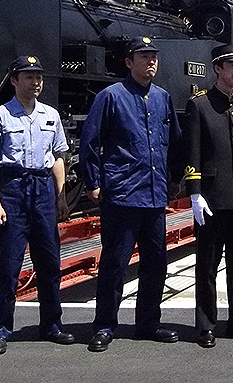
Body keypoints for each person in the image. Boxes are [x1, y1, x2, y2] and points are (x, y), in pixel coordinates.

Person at [78, 36, 182, 352]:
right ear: (129, 62)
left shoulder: (163, 98)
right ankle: (105, 325)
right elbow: (89, 142)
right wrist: (93, 182)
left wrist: (174, 180)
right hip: (122, 196)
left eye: (154, 56)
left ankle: (148, 323)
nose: (150, 61)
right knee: (114, 264)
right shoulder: (110, 97)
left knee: (156, 263)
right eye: (143, 56)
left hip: (153, 196)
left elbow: (175, 142)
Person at [0, 55, 73, 355]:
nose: (36, 82)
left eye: (39, 77)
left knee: (50, 262)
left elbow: (60, 157)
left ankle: (52, 324)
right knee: (8, 265)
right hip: (13, 189)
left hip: (43, 190)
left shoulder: (51, 116)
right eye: (29, 76)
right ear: (14, 80)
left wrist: (61, 197)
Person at [184, 43, 233, 348]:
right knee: (207, 264)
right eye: (232, 66)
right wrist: (195, 193)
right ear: (217, 68)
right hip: (212, 198)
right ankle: (206, 324)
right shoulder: (200, 104)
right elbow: (193, 150)